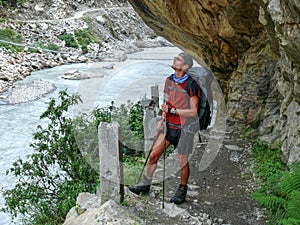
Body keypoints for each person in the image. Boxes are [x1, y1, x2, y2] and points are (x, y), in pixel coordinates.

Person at [129, 52, 200, 204]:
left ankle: (182, 190)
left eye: (179, 59)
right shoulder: (169, 80)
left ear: (185, 66)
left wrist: (173, 112)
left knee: (182, 160)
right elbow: (166, 102)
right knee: (154, 155)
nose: (175, 60)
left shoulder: (191, 85)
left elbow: (193, 111)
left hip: (184, 129)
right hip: (169, 126)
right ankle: (145, 184)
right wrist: (162, 118)